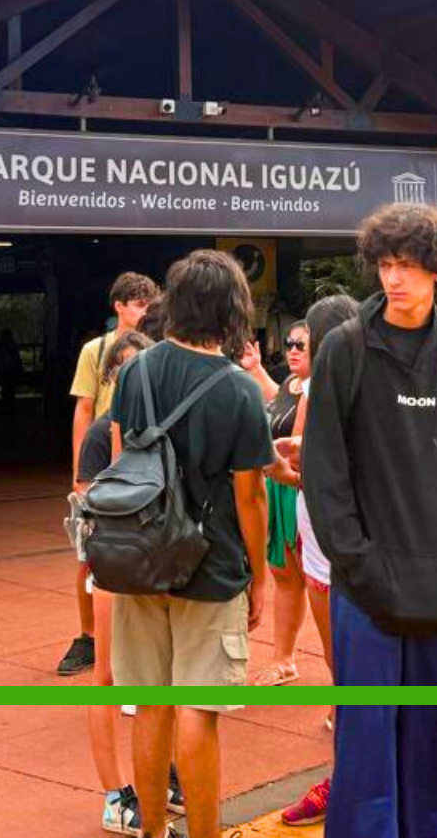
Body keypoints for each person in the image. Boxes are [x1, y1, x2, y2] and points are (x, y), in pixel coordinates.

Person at [303, 204, 437, 838]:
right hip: (364, 587)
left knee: (434, 737)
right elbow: (324, 473)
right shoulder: (345, 349)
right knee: (365, 741)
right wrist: (357, 564)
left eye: (410, 266)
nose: (395, 278)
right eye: (387, 264)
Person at [110, 249, 272, 838]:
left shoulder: (135, 371)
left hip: (140, 558)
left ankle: (153, 830)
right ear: (232, 310)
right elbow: (250, 497)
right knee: (197, 711)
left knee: (150, 705)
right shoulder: (238, 391)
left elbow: (126, 460)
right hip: (211, 562)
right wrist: (260, 576)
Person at [271, 293, 360, 827]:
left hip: (343, 560)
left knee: (353, 674)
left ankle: (351, 781)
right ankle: (358, 774)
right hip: (327, 554)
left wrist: (289, 474)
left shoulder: (352, 392)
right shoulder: (325, 389)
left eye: (306, 343)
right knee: (347, 675)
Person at [62, 271, 160, 677]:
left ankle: (135, 643)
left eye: (149, 304)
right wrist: (78, 470)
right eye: (137, 303)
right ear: (119, 306)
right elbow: (84, 408)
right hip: (102, 453)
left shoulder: (156, 349)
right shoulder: (95, 351)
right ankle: (89, 636)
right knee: (90, 552)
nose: (144, 311)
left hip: (141, 453)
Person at [79, 329, 154, 836]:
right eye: (122, 373)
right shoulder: (101, 432)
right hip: (115, 564)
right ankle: (115, 795)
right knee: (106, 676)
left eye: (142, 371)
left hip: (160, 566)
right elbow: (88, 499)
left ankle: (159, 776)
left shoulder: (164, 427)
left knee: (158, 681)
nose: (133, 382)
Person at [252, 321, 311, 688]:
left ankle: (347, 684)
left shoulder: (315, 388)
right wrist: (255, 368)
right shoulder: (292, 385)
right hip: (278, 484)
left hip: (297, 487)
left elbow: (299, 445)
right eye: (289, 343)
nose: (292, 350)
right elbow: (276, 403)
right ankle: (284, 659)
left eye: (301, 345)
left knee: (315, 582)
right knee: (286, 576)